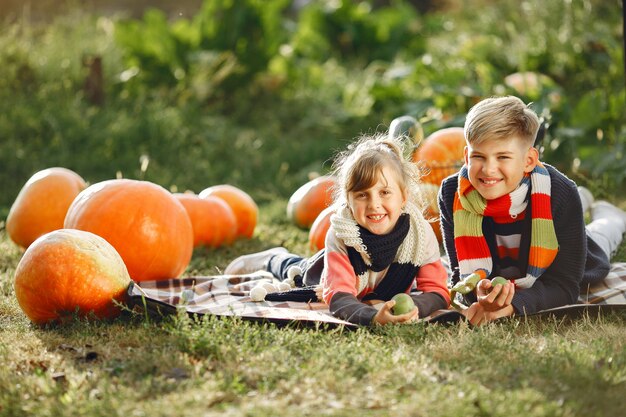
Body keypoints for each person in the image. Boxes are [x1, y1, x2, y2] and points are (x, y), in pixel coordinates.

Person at [224, 134, 450, 325]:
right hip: (323, 273)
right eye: (362, 195)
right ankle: (273, 258)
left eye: (385, 193)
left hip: (377, 292)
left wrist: (412, 308)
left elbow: (438, 292)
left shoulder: (420, 235)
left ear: (403, 197)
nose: (374, 204)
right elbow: (339, 296)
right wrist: (371, 316)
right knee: (298, 271)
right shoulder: (342, 236)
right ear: (348, 202)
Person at [439, 95, 626, 325]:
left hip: (565, 259)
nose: (488, 169)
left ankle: (613, 216)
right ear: (467, 156)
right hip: (508, 266)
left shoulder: (562, 193)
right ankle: (586, 199)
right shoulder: (452, 194)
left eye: (503, 157)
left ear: (528, 160)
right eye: (479, 156)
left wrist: (512, 306)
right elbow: (460, 274)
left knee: (600, 236)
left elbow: (565, 286)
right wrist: (476, 293)